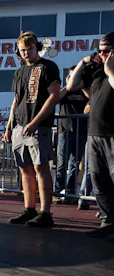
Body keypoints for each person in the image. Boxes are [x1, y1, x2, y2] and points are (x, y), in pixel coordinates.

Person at [3, 31, 61, 228]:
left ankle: (46, 213)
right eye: (22, 50)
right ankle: (29, 209)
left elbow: (54, 96)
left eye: (29, 49)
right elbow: (16, 100)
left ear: (37, 48)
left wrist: (36, 121)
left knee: (40, 167)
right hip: (19, 126)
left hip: (39, 126)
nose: (26, 53)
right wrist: (9, 126)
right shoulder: (19, 72)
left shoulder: (48, 67)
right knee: (24, 168)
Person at [67, 31, 114, 240]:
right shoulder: (96, 72)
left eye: (106, 51)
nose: (101, 54)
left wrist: (110, 70)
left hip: (112, 134)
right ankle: (108, 221)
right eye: (99, 51)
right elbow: (71, 85)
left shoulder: (110, 71)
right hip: (95, 134)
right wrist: (83, 62)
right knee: (98, 180)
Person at [53, 66, 89, 204]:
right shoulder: (65, 92)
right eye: (72, 76)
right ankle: (58, 192)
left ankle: (70, 193)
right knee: (61, 163)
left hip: (81, 131)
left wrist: (82, 86)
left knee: (75, 164)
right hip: (65, 130)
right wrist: (68, 87)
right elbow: (55, 99)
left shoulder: (84, 91)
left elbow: (93, 99)